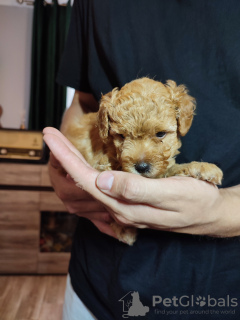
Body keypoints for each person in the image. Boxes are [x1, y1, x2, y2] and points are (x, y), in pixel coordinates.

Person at [44, 1, 240, 319]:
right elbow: (83, 103)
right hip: (95, 285)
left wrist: (222, 209)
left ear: (182, 119)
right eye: (122, 137)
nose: (139, 159)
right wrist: (64, 165)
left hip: (219, 294)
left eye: (161, 135)